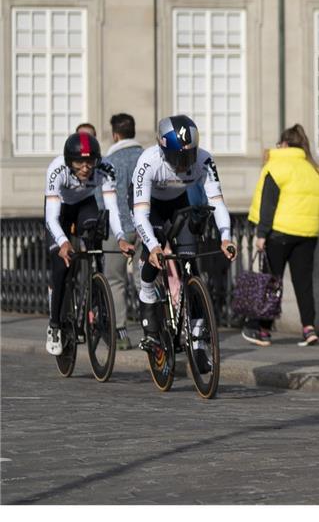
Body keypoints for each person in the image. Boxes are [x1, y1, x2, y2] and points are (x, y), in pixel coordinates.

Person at [132, 115, 236, 371]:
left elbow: (218, 202)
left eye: (187, 158)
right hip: (152, 208)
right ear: (162, 149)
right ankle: (147, 297)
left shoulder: (204, 159)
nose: (183, 165)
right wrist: (154, 246)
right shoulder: (148, 162)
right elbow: (140, 215)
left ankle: (198, 342)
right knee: (153, 257)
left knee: (191, 265)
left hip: (179, 203)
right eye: (177, 158)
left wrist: (226, 238)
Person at [43, 131, 133, 355]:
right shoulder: (57, 170)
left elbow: (112, 209)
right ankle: (54, 325)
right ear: (68, 161)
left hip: (85, 205)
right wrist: (63, 242)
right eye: (79, 162)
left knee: (95, 230)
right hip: (61, 212)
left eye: (89, 161)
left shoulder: (105, 169)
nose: (85, 167)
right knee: (61, 266)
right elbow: (51, 218)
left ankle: (96, 287)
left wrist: (120, 237)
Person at [246, 124, 319, 346]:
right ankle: (309, 328)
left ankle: (263, 329)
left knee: (271, 281)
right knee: (304, 283)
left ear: (284, 144)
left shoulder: (277, 165)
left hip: (279, 233)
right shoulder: (315, 170)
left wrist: (261, 234)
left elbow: (268, 204)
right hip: (308, 234)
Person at [102, 113, 144, 349]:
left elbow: (101, 199)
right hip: (143, 227)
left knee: (115, 280)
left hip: (117, 228)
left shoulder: (109, 161)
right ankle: (154, 328)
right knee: (145, 280)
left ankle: (120, 333)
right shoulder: (145, 156)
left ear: (115, 134)